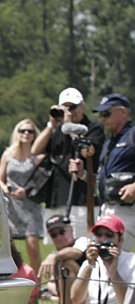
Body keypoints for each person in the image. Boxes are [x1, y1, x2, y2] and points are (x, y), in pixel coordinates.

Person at [32, 214, 135, 304]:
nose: (103, 240)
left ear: (121, 240)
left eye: (109, 235)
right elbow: (76, 298)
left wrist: (113, 272)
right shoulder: (89, 263)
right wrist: (89, 266)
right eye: (99, 235)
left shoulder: (131, 262)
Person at [31, 88, 105, 240]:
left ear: (83, 107)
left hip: (82, 200)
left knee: (82, 244)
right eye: (65, 108)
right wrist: (51, 124)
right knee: (59, 249)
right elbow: (35, 150)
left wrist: (68, 124)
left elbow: (87, 151)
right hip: (57, 198)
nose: (69, 111)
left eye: (73, 107)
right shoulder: (57, 129)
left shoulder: (93, 128)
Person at [71, 93, 135, 246]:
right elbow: (103, 180)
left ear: (123, 112)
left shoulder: (133, 134)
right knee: (109, 261)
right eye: (101, 115)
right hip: (108, 208)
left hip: (129, 209)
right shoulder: (110, 142)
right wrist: (83, 174)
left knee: (116, 260)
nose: (103, 118)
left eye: (107, 114)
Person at [0, 119, 43, 270]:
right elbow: (0, 179)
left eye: (30, 131)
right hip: (11, 206)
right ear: (16, 133)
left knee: (33, 248)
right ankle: (14, 277)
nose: (26, 134)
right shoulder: (8, 154)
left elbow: (41, 181)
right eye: (22, 130)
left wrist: (26, 191)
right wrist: (6, 189)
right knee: (10, 248)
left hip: (30, 205)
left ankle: (36, 283)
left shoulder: (38, 157)